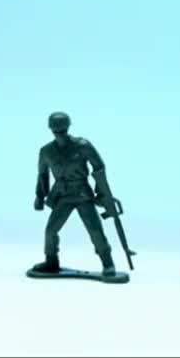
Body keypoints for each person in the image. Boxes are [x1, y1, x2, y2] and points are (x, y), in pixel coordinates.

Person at [33, 112, 118, 276]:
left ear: (68, 127)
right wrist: (40, 196)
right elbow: (43, 174)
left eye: (62, 128)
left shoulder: (82, 145)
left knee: (95, 230)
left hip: (82, 194)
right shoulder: (46, 151)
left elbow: (99, 167)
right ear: (50, 129)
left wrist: (103, 194)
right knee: (50, 230)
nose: (59, 132)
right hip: (62, 195)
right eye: (56, 129)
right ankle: (51, 261)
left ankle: (108, 262)